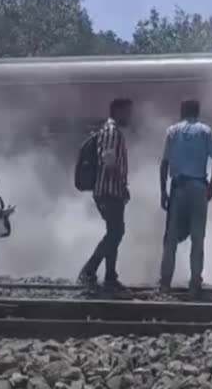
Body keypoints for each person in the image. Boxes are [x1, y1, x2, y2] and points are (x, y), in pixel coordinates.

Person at [158, 99, 212, 299]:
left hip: (178, 188)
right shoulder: (205, 131)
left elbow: (164, 163)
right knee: (197, 237)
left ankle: (165, 284)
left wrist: (163, 191)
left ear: (182, 111)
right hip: (198, 187)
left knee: (171, 239)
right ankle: (195, 283)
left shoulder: (172, 131)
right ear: (198, 112)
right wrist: (211, 186)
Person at [78, 98, 133, 292]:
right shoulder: (111, 131)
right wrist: (122, 184)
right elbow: (108, 160)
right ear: (118, 111)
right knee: (116, 232)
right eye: (127, 112)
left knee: (114, 232)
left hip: (111, 191)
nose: (130, 116)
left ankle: (110, 276)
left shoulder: (112, 131)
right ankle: (89, 270)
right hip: (109, 190)